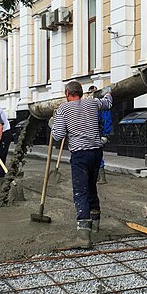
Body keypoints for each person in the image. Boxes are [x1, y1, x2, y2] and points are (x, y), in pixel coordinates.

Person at [52, 81, 112, 248]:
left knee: (80, 192)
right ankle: (96, 222)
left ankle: (83, 236)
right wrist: (108, 92)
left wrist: (53, 124)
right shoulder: (92, 103)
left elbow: (58, 136)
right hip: (96, 153)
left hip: (80, 155)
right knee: (91, 186)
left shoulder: (63, 109)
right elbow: (108, 103)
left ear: (67, 93)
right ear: (81, 92)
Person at [88, 86, 113, 184]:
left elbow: (107, 120)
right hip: (92, 132)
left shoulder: (101, 106)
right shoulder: (90, 105)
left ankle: (102, 176)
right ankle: (97, 176)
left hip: (99, 132)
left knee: (98, 154)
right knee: (93, 154)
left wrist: (105, 135)